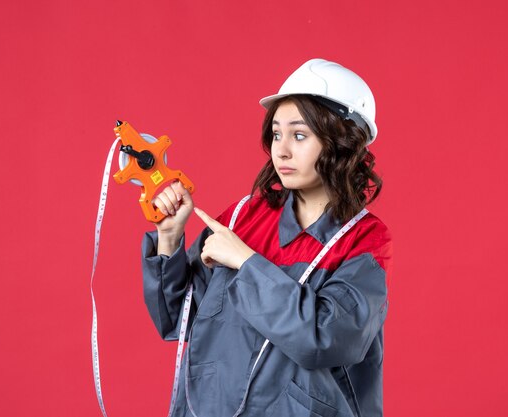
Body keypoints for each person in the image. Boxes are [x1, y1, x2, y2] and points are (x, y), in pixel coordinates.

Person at [141, 58, 392, 417]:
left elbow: (324, 338)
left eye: (299, 135)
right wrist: (169, 238)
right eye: (276, 133)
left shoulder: (365, 241)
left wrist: (246, 261)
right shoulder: (242, 217)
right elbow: (178, 321)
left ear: (342, 142)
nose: (282, 149)